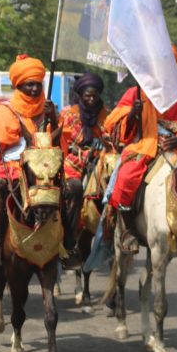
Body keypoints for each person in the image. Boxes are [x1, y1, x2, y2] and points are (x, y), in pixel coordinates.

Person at [97, 47, 177, 255]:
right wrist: (132, 114)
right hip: (143, 146)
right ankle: (128, 230)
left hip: (175, 150)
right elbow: (114, 125)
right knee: (126, 177)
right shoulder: (134, 93)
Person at [0, 55, 59, 267]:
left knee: (70, 187)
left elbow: (58, 142)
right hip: (10, 166)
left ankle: (69, 244)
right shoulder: (5, 111)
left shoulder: (48, 110)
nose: (34, 89)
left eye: (38, 84)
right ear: (19, 85)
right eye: (30, 84)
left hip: (43, 165)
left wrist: (54, 118)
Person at [56, 72, 110, 268]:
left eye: (94, 95)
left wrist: (106, 143)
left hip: (99, 158)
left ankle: (117, 234)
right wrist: (73, 148)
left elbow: (111, 135)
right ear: (80, 96)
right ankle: (68, 236)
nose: (91, 99)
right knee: (75, 187)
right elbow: (61, 140)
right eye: (87, 95)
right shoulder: (68, 114)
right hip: (73, 160)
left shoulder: (105, 114)